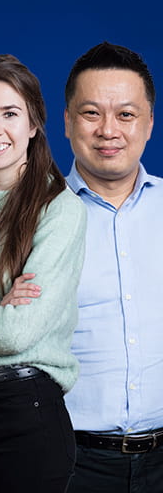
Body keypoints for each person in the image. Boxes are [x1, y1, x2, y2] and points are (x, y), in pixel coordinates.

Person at [0, 54, 87, 493]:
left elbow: (17, 333)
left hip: (24, 414)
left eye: (10, 114)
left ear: (33, 124)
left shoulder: (60, 209)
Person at [63, 42, 162, 493]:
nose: (108, 130)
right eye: (90, 113)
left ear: (149, 123)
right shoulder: (32, 217)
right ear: (67, 122)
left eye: (126, 114)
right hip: (73, 464)